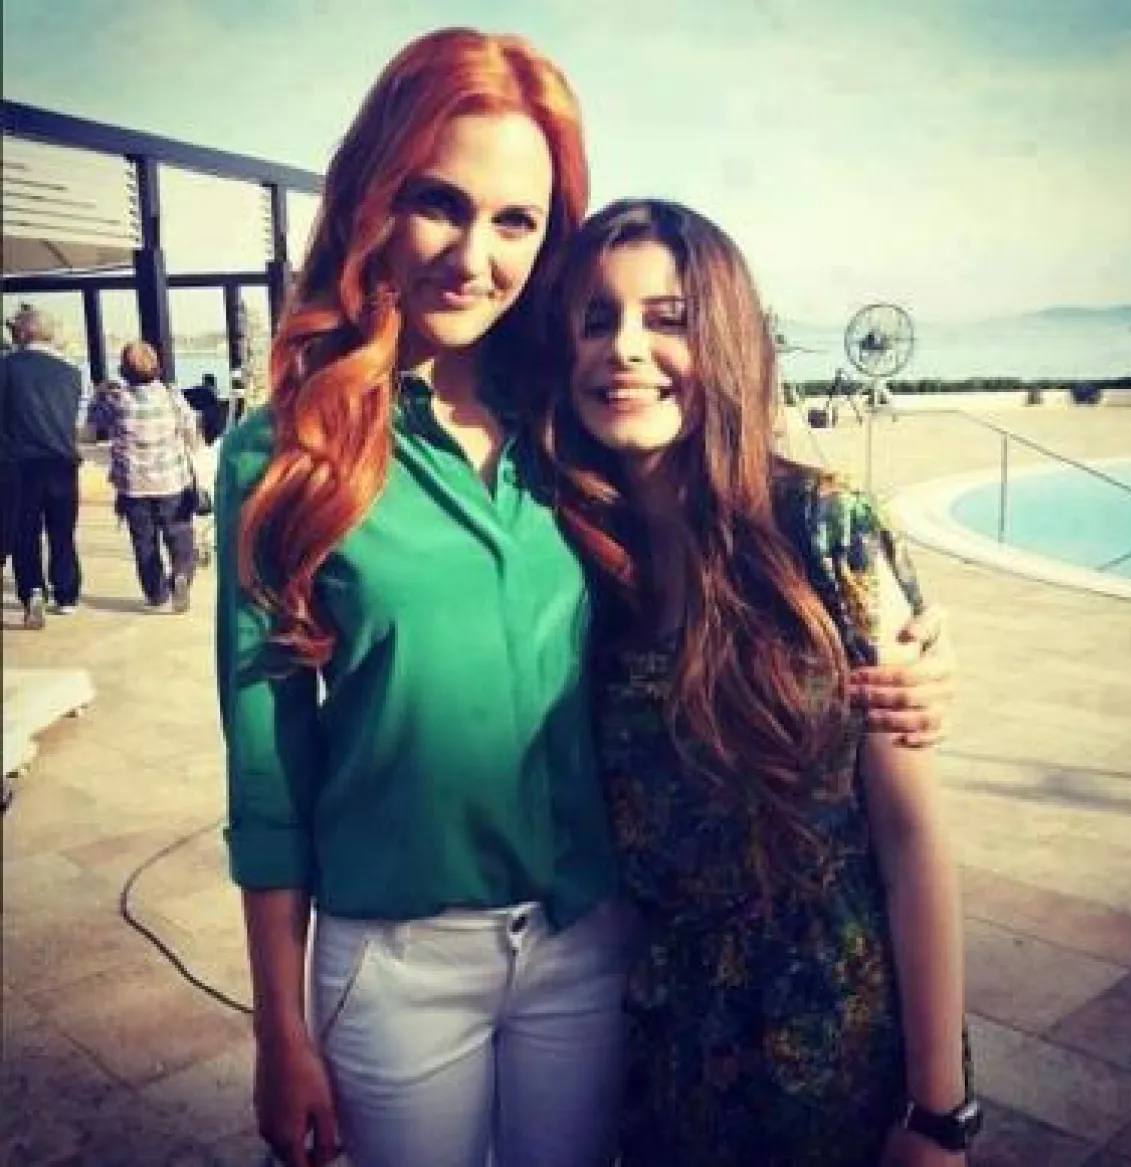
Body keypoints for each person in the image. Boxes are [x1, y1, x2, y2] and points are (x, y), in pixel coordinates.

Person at [215, 28, 954, 1167]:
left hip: (589, 944)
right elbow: (268, 768)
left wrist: (913, 656)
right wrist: (278, 1026)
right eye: (438, 202)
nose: (474, 255)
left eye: (516, 221)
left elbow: (736, 531)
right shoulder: (286, 454)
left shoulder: (570, 429)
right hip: (399, 958)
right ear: (374, 199)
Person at [540, 197, 976, 1167]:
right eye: (595, 319)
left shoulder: (825, 530)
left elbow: (912, 839)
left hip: (835, 1044)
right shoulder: (571, 556)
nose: (623, 348)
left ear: (727, 340)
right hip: (661, 1048)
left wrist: (939, 1112)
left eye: (667, 318)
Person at [89, 341, 199, 613]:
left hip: (134, 486)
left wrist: (99, 393)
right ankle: (181, 575)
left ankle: (157, 594)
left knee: (144, 542)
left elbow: (94, 425)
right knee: (180, 534)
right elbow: (190, 431)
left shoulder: (117, 400)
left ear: (124, 371)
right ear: (157, 367)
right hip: (172, 481)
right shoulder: (171, 396)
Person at [0, 305, 84, 628]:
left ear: (23, 333)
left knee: (25, 532)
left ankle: (33, 591)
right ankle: (67, 594)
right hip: (62, 461)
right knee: (62, 532)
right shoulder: (71, 372)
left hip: (19, 464)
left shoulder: (7, 367)